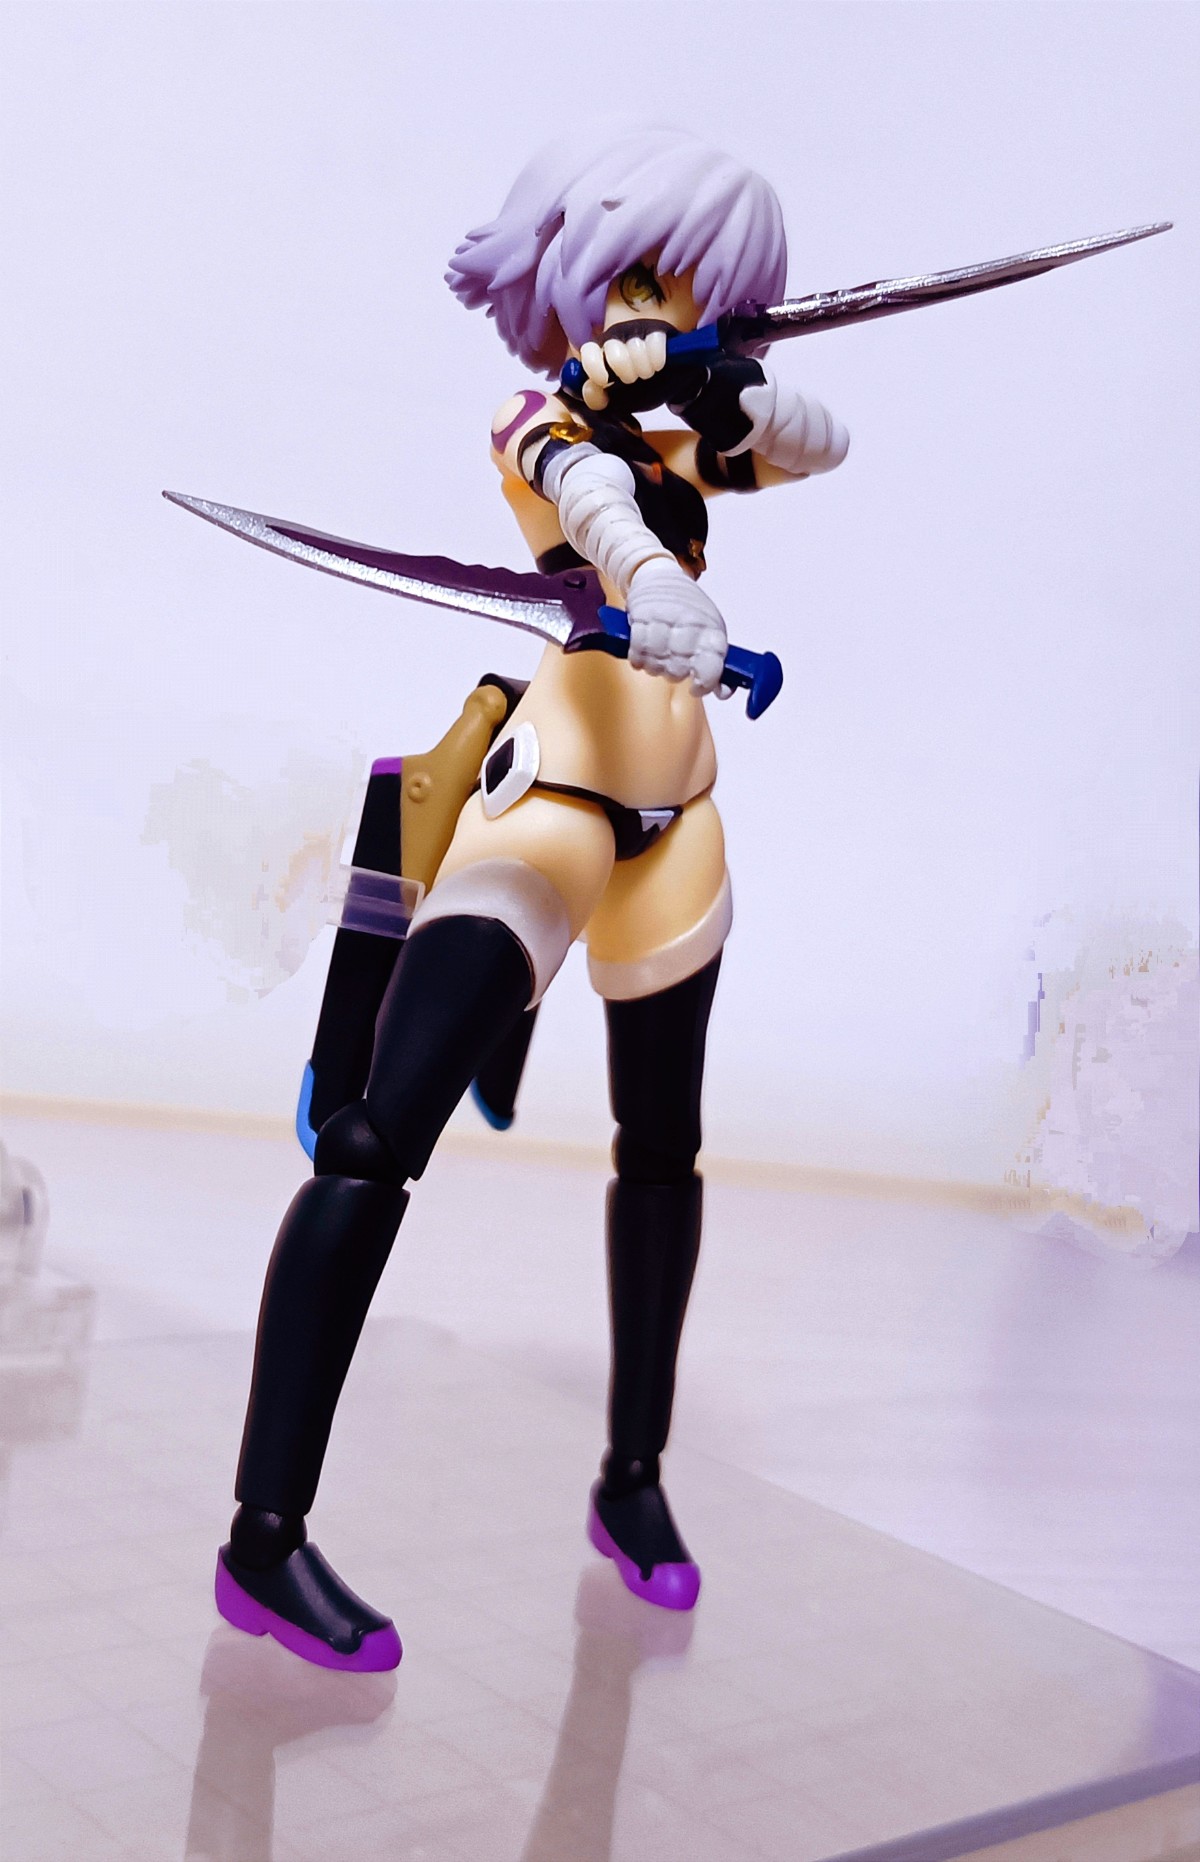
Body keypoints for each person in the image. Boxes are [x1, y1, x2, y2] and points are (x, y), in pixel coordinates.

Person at [215, 127, 848, 1671]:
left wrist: (725, 386)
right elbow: (597, 512)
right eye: (635, 284)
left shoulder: (688, 426)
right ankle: (261, 1540)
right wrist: (661, 588)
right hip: (553, 799)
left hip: (678, 822)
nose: (654, 311)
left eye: (686, 290)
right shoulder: (543, 422)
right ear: (578, 285)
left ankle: (632, 1480)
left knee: (664, 1150)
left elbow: (819, 442)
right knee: (377, 1141)